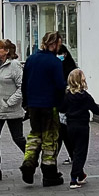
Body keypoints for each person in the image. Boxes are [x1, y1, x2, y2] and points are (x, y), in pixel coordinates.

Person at [20, 33, 67, 186]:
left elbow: (24, 83)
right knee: (50, 138)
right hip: (49, 105)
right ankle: (49, 173)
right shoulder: (55, 63)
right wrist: (62, 104)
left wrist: (26, 103)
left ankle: (28, 162)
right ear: (53, 44)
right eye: (59, 44)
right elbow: (60, 86)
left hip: (33, 106)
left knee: (34, 135)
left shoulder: (31, 59)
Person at [60, 68, 99, 188]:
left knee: (75, 151)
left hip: (70, 127)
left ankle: (81, 175)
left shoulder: (67, 96)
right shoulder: (85, 96)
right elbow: (97, 111)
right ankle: (73, 179)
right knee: (81, 153)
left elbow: (62, 108)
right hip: (82, 127)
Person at [0, 39, 26, 182]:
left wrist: (10, 102)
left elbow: (23, 87)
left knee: (18, 138)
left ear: (7, 51)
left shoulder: (15, 66)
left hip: (11, 109)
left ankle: (31, 158)